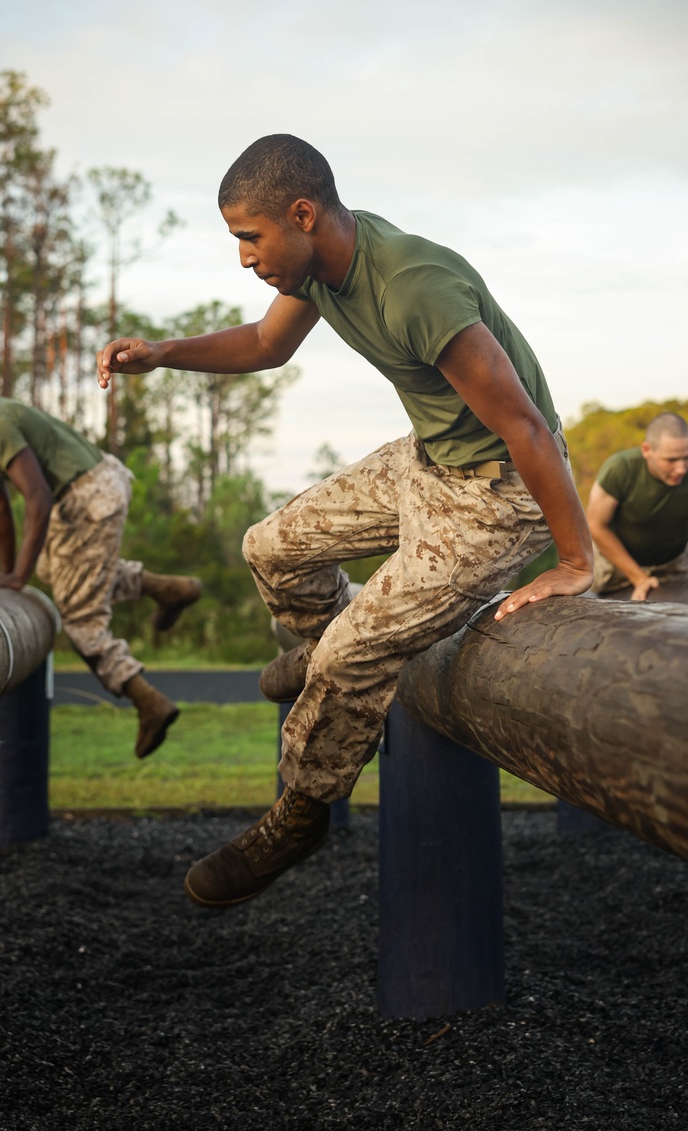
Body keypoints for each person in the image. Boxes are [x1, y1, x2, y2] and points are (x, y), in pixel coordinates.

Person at [97, 132, 593, 907]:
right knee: (270, 547)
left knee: (346, 661)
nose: (244, 258)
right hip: (428, 459)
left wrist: (574, 559)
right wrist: (163, 352)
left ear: (301, 214)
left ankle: (302, 808)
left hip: (499, 494)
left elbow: (528, 428)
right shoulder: (321, 265)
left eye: (249, 237)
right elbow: (265, 344)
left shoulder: (414, 287)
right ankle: (333, 648)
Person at [0, 376, 203, 758]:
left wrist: (16, 578)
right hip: (88, 488)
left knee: (79, 617)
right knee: (54, 569)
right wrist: (7, 572)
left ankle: (148, 702)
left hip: (88, 495)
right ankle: (169, 589)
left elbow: (38, 498)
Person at [586, 411, 688, 601]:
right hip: (616, 567)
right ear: (647, 450)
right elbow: (595, 525)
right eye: (671, 460)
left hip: (675, 564)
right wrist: (639, 578)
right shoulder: (620, 469)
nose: (682, 468)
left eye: (687, 457)